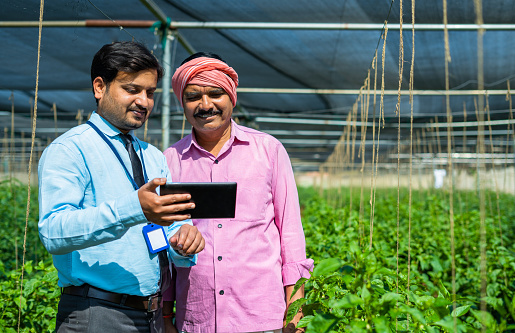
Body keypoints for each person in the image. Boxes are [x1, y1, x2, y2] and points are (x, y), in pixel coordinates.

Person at [38, 41, 205, 333]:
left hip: (150, 315)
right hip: (97, 313)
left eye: (150, 92)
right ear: (100, 87)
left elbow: (170, 230)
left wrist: (183, 241)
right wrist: (132, 209)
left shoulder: (152, 156)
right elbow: (53, 231)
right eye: (132, 89)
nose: (144, 101)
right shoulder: (70, 150)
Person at [162, 52, 314, 333]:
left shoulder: (268, 151)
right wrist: (165, 317)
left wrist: (296, 310)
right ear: (182, 103)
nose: (205, 105)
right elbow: (164, 242)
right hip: (196, 319)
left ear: (232, 97)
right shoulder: (170, 160)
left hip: (260, 316)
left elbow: (290, 235)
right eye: (193, 96)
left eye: (215, 93)